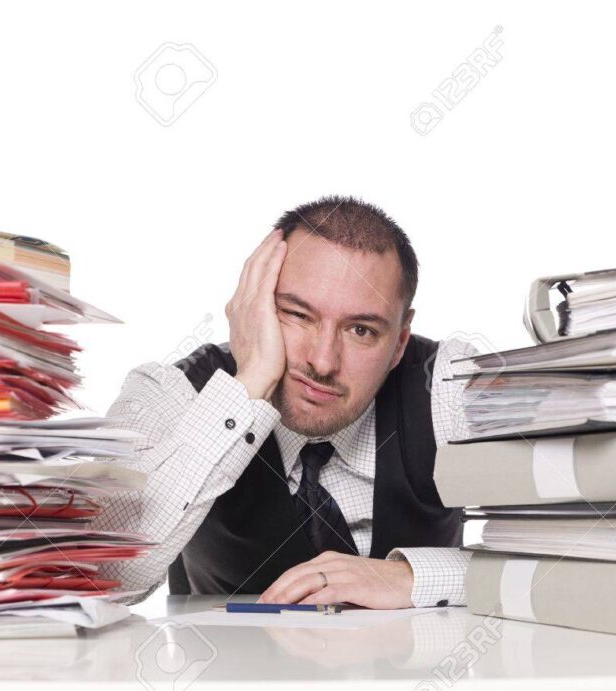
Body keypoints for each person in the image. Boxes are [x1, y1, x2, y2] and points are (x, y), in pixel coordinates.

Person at [93, 195, 476, 609]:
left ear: (399, 342)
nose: (323, 361)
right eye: (297, 315)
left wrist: (414, 578)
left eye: (361, 330)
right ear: (251, 309)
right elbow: (99, 578)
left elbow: (552, 566)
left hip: (418, 673)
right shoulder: (173, 392)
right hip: (230, 672)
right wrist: (251, 380)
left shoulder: (450, 386)